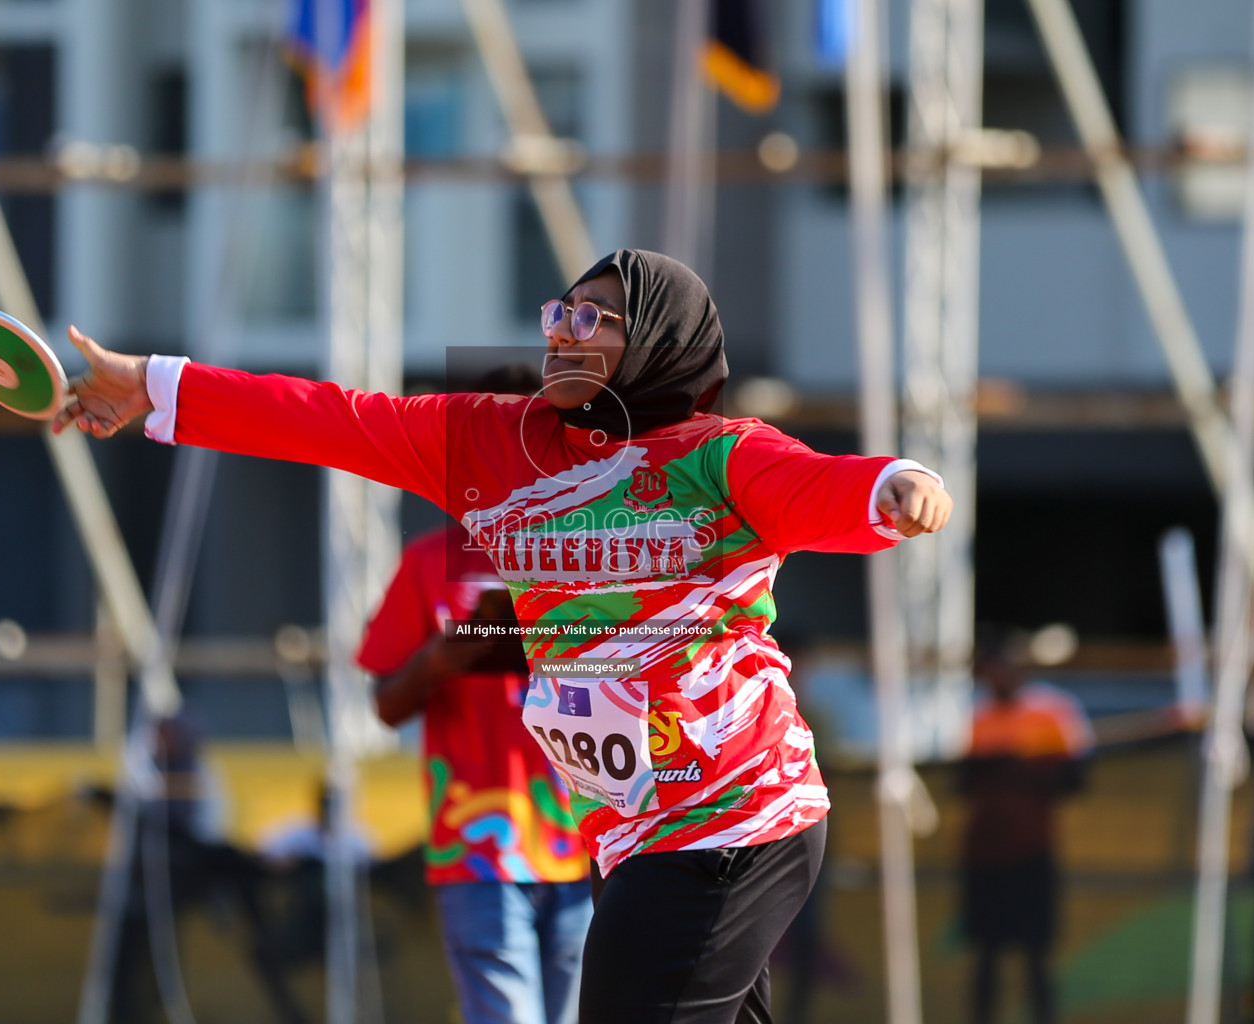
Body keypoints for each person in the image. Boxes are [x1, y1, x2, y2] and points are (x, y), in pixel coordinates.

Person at [54, 248, 953, 1023]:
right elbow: (327, 417)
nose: (563, 330)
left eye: (596, 317)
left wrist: (900, 483)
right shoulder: (488, 441)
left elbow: (824, 486)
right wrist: (149, 385)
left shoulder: (719, 453)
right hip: (628, 830)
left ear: (660, 342)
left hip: (737, 812)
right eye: (560, 311)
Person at [361, 516, 593, 1024]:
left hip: (593, 840)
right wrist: (434, 663)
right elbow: (384, 704)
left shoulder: (598, 554)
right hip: (478, 846)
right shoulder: (428, 561)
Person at [959, 629, 1092, 1024]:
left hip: (1031, 851)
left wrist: (1023, 771)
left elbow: (1076, 777)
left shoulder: (1053, 711)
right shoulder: (977, 717)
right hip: (985, 853)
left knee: (1036, 954)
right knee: (986, 954)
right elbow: (963, 783)